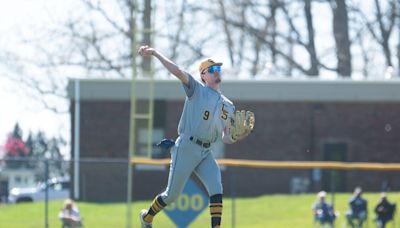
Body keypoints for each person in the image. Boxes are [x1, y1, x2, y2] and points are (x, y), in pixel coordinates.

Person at [137, 45, 254, 228]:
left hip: (206, 151)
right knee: (172, 196)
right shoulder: (197, 90)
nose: (217, 72)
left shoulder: (228, 105)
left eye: (218, 69)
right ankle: (147, 217)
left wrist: (239, 136)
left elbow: (226, 137)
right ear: (203, 76)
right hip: (186, 147)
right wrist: (155, 53)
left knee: (216, 188)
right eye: (212, 69)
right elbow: (177, 71)